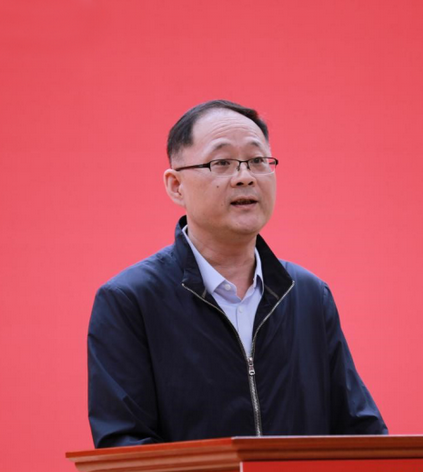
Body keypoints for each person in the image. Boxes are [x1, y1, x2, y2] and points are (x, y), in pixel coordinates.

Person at [87, 100, 387, 447]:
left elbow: (360, 433)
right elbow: (124, 447)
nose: (245, 177)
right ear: (176, 185)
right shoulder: (130, 301)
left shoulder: (307, 295)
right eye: (222, 163)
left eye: (257, 161)